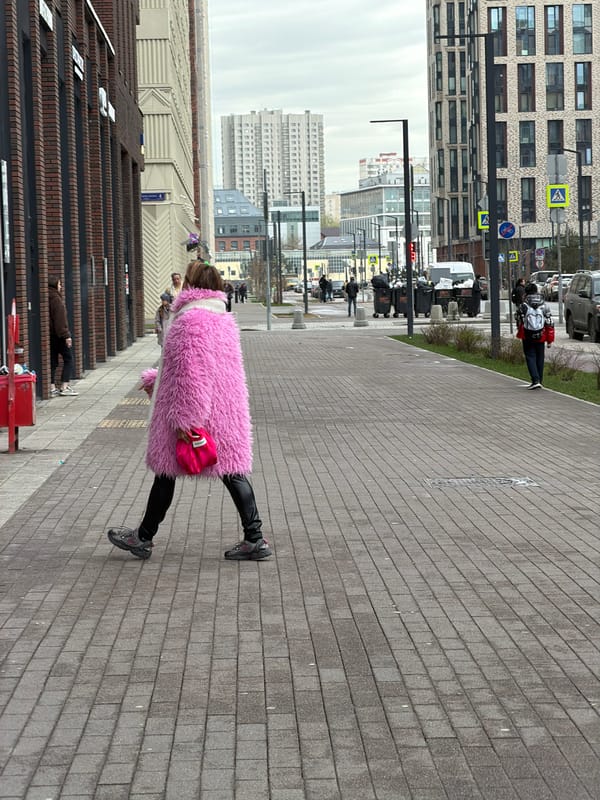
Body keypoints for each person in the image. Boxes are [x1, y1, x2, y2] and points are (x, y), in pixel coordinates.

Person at [107, 260, 271, 561]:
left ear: (192, 285)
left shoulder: (189, 319)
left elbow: (191, 372)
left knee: (167, 472)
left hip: (196, 412)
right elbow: (196, 368)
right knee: (230, 471)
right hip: (224, 410)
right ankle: (254, 537)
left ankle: (143, 538)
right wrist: (157, 383)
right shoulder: (222, 318)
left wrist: (185, 418)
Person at [516, 282, 553, 389]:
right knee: (540, 358)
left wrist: (520, 332)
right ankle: (540, 380)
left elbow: (519, 321)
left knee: (530, 356)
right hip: (541, 334)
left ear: (526, 293)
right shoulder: (544, 305)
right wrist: (549, 339)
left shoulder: (523, 305)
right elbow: (549, 322)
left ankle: (535, 379)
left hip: (527, 335)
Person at [48, 277, 78, 397]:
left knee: (52, 361)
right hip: (59, 335)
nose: (60, 287)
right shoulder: (56, 299)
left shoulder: (45, 297)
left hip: (49, 335)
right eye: (60, 284)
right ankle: (64, 386)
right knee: (68, 359)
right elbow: (60, 320)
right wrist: (66, 335)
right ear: (55, 285)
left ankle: (51, 387)